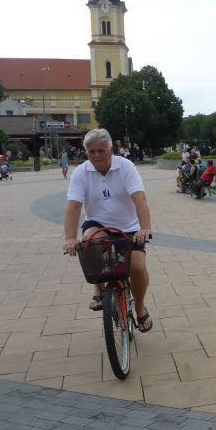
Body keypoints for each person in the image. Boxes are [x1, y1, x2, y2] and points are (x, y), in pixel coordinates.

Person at [62, 128, 154, 332]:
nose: (96, 155)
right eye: (91, 151)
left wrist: (145, 228)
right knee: (89, 241)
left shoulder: (126, 167)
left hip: (129, 226)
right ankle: (99, 288)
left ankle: (139, 308)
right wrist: (69, 237)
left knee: (137, 268)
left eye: (101, 151)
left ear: (111, 149)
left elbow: (139, 199)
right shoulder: (81, 172)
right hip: (98, 223)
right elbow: (74, 206)